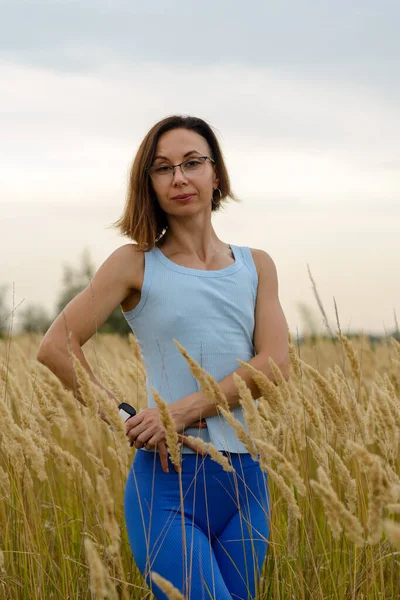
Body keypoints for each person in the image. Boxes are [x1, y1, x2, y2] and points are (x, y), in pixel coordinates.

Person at [37, 115, 290, 600]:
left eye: (192, 163)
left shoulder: (258, 265)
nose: (179, 177)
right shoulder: (134, 263)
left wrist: (180, 412)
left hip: (247, 484)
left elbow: (275, 364)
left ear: (216, 174)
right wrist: (126, 418)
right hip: (169, 486)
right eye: (162, 168)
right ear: (149, 184)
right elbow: (55, 346)